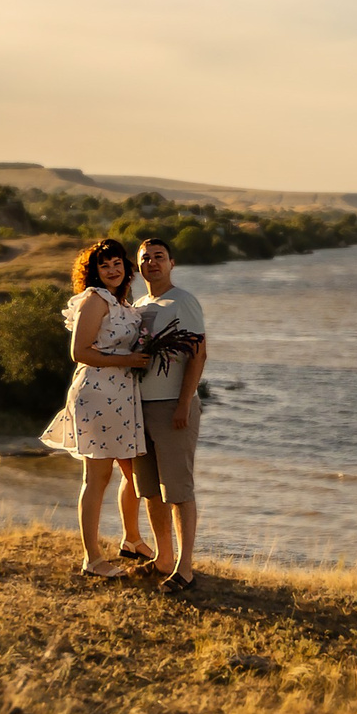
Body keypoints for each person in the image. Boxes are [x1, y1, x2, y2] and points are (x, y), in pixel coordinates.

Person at [39, 238, 153, 578]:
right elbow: (80, 352)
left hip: (124, 396)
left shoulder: (124, 304)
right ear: (94, 271)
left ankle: (132, 540)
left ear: (126, 267)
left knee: (134, 473)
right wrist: (129, 359)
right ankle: (92, 559)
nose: (112, 269)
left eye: (117, 263)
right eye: (104, 265)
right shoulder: (94, 300)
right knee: (98, 478)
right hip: (98, 394)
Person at [129, 236, 209, 590]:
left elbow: (199, 355)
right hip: (139, 408)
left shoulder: (184, 301)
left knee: (178, 489)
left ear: (171, 263)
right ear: (138, 265)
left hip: (172, 408)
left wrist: (183, 404)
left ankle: (185, 569)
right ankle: (163, 559)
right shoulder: (140, 303)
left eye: (159, 257)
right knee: (150, 490)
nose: (152, 263)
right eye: (146, 258)